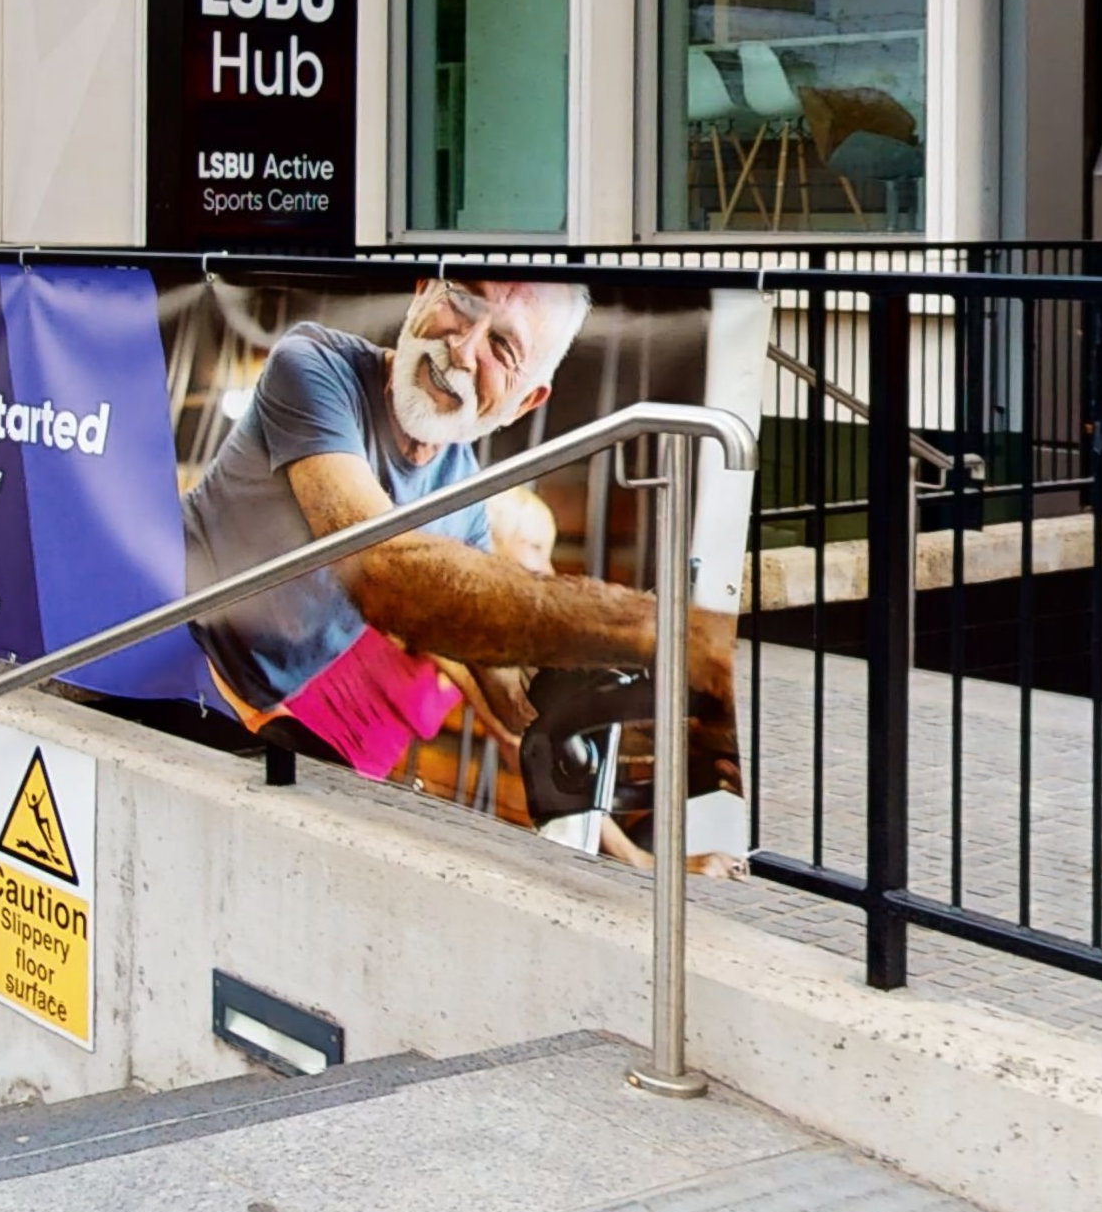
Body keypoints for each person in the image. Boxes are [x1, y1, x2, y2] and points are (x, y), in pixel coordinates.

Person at [177, 278, 741, 845]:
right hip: (167, 655)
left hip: (257, 718)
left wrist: (622, 709)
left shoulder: (464, 497)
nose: (463, 348)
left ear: (526, 402)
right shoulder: (316, 364)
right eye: (462, 301)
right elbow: (380, 567)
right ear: (421, 290)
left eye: (502, 346)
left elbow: (503, 689)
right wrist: (658, 629)